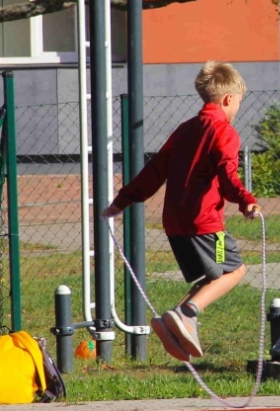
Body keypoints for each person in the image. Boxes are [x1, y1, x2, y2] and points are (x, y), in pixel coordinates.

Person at [103, 61, 261, 362]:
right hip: (206, 226)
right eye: (239, 101)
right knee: (234, 270)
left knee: (213, 275)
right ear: (228, 99)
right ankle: (187, 313)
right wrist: (245, 200)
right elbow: (228, 174)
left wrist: (121, 201)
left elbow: (154, 170)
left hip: (175, 225)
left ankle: (169, 323)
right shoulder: (224, 132)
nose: (238, 107)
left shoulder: (185, 130)